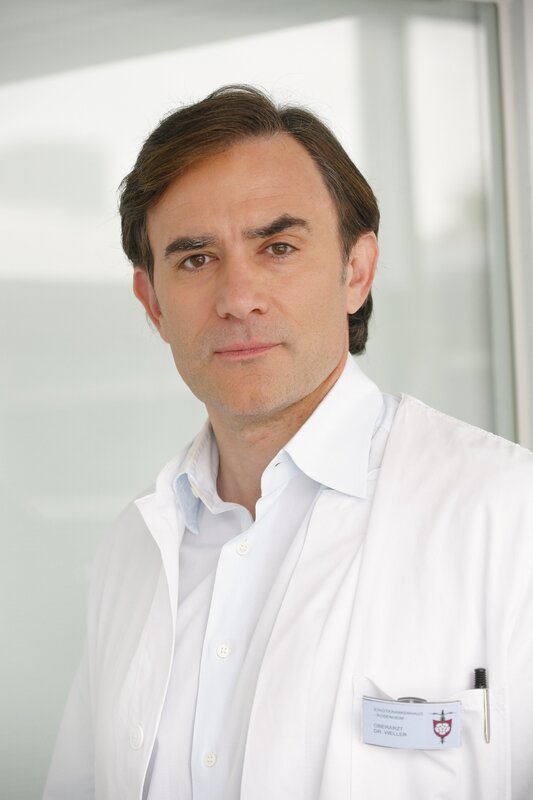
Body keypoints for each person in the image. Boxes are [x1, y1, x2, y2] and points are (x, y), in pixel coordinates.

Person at [44, 86, 533, 800]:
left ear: (355, 272)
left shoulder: (508, 514)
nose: (237, 297)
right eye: (195, 259)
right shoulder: (133, 551)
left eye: (277, 248)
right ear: (153, 304)